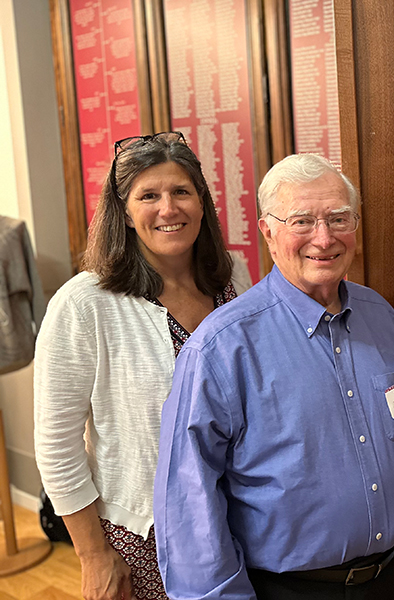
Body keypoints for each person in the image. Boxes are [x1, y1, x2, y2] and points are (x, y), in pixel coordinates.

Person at [154, 153, 394, 600]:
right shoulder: (221, 347)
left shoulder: (382, 318)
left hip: (390, 578)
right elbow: (189, 498)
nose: (324, 238)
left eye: (338, 218)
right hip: (285, 590)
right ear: (268, 231)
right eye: (302, 221)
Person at [34, 131, 251, 600]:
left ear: (202, 202)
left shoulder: (232, 275)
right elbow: (56, 445)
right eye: (148, 196)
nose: (168, 209)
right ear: (126, 213)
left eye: (181, 192)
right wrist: (93, 555)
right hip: (143, 537)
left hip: (240, 515)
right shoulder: (84, 303)